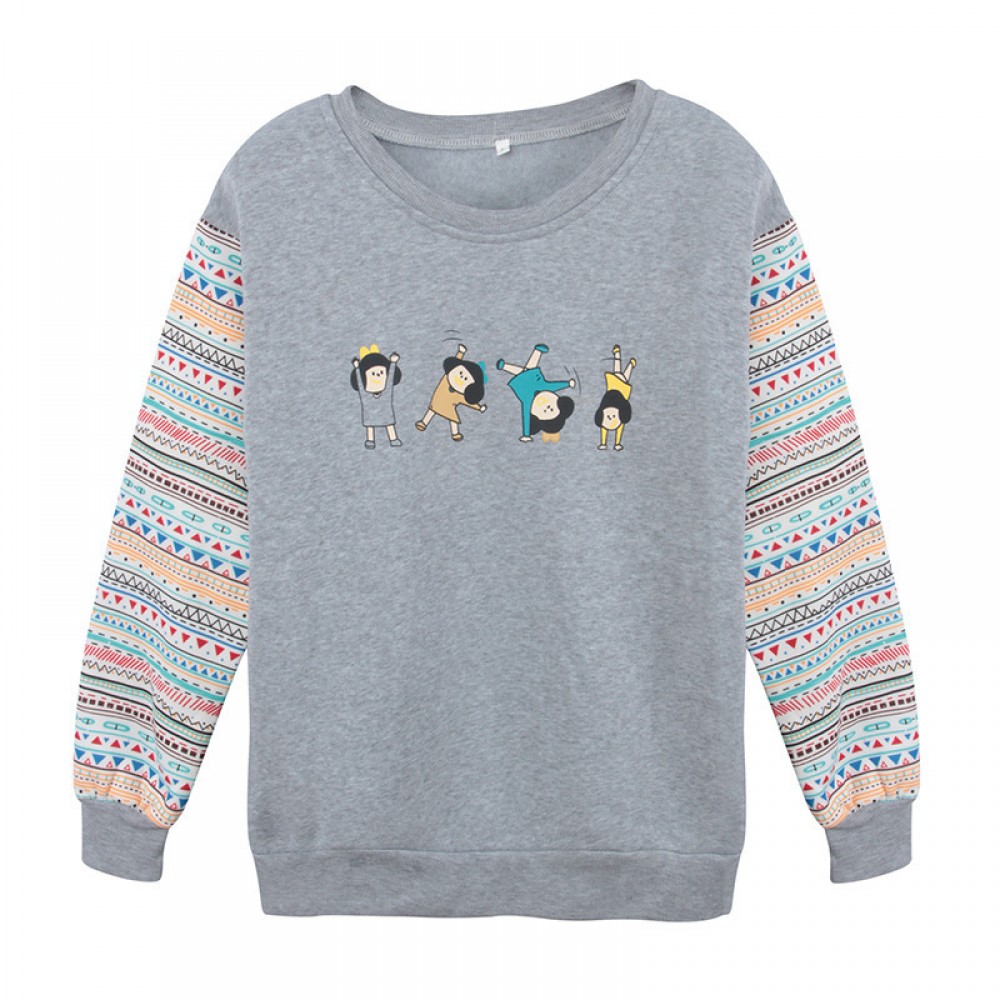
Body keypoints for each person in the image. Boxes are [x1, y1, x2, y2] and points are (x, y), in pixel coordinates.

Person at [495, 343, 575, 442]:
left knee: (526, 370)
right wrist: (567, 384)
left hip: (522, 384)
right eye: (552, 409)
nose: (548, 408)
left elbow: (526, 417)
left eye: (546, 412)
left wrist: (526, 434)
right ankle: (505, 366)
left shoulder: (528, 403)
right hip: (535, 378)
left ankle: (536, 352)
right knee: (527, 370)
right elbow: (555, 386)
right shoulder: (546, 388)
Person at [415, 344, 487, 441]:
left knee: (453, 420)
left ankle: (455, 434)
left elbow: (470, 403)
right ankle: (423, 423)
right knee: (431, 411)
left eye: (466, 379)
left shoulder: (460, 395)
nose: (460, 378)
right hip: (436, 402)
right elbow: (457, 362)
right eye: (461, 373)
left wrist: (479, 407)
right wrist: (460, 352)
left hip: (449, 409)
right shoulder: (446, 378)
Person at [350, 344, 402, 449]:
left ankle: (393, 439)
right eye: (373, 374)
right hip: (371, 417)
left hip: (386, 416)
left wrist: (393, 363)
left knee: (388, 425)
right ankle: (370, 440)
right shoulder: (365, 394)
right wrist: (357, 368)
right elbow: (360, 384)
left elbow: (390, 379)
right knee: (371, 427)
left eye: (381, 372)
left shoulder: (386, 392)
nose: (378, 376)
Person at [594, 344, 635, 450]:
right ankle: (627, 361)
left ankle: (627, 361)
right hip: (621, 391)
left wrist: (604, 444)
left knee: (621, 373)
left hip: (615, 387)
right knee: (623, 374)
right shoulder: (616, 409)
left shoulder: (609, 407)